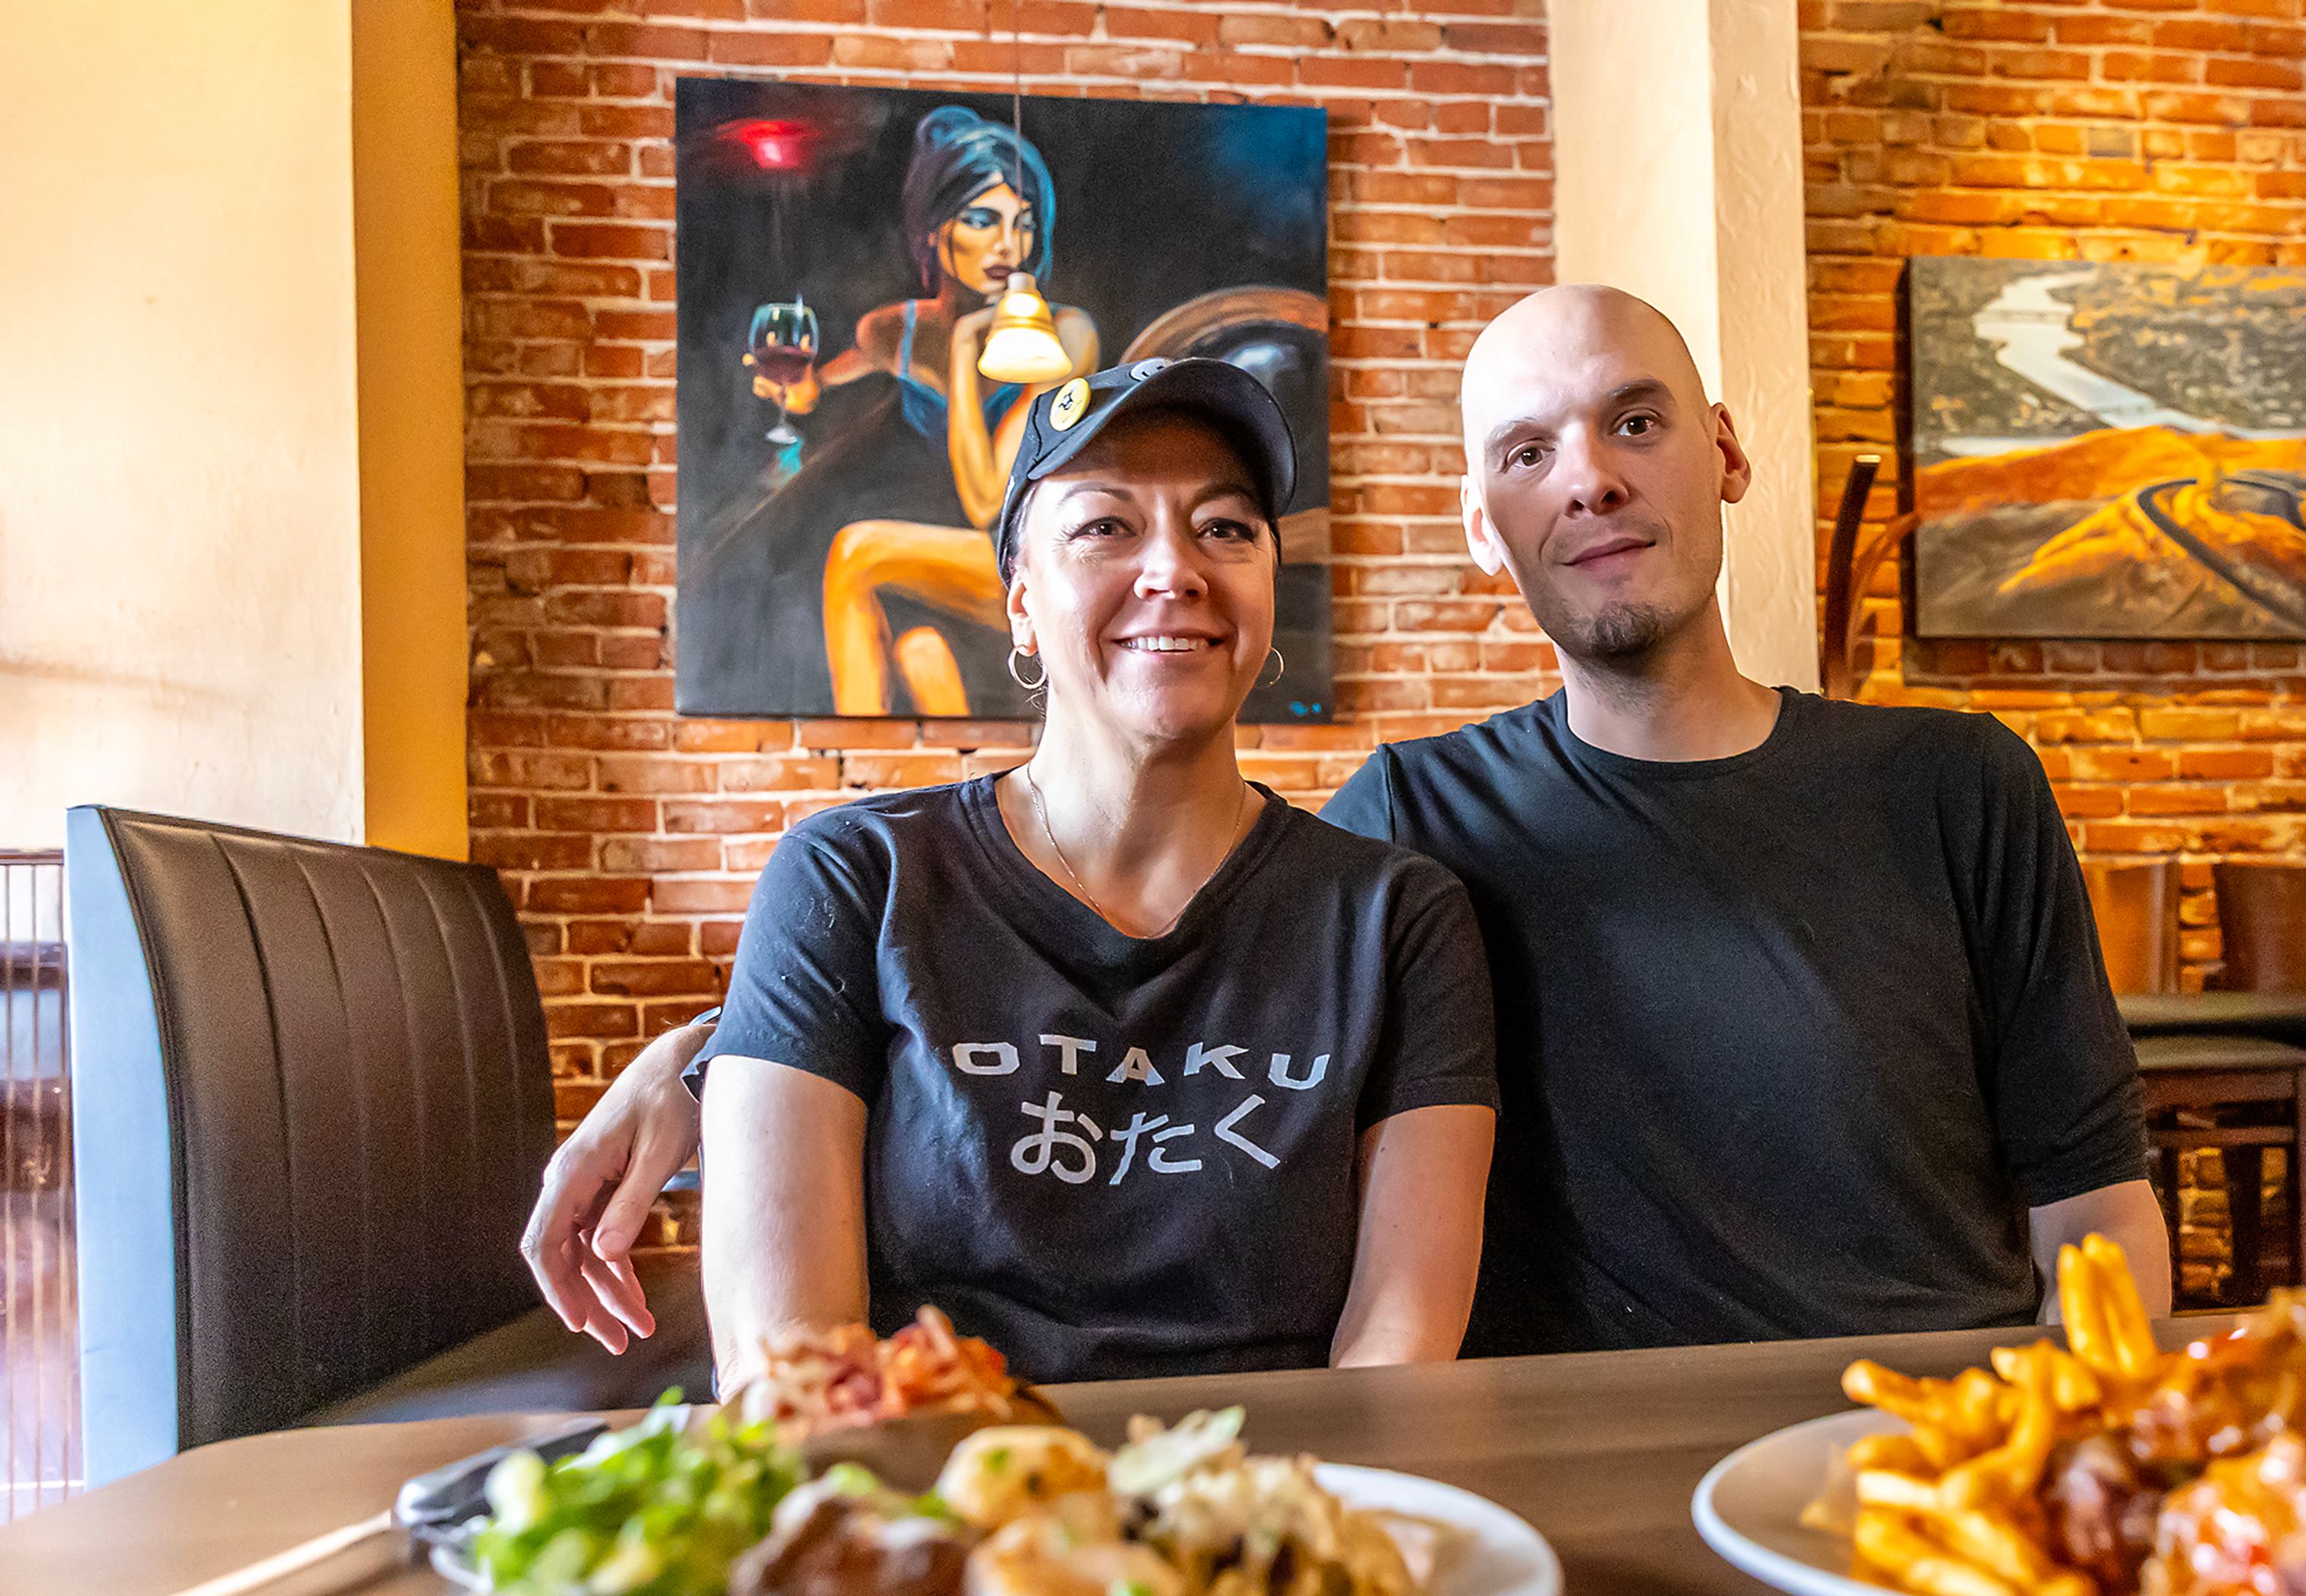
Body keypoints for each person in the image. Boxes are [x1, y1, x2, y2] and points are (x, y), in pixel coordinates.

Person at [529, 285, 2166, 1363]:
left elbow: (2095, 1209)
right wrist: (740, 1056)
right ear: (1484, 523)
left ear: (1725, 454)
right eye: (1530, 448)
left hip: (1947, 1433)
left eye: (1638, 420)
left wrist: (2091, 1463)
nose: (1589, 477)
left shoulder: (1952, 784)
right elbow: (1061, 952)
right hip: (1579, 1468)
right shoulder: (1421, 827)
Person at [624, 358, 1497, 1387]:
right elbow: (794, 1379)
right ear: (1022, 605)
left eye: (1225, 527)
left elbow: (1396, 1363)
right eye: (1106, 527)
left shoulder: (1399, 917)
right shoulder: (852, 880)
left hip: (1273, 1510)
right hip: (939, 1509)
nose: (1175, 568)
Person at [743, 107, 1101, 715]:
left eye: (1023, 225)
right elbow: (826, 379)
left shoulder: (1063, 336)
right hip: (946, 571)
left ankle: (842, 762)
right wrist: (804, 391)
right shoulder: (895, 332)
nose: (1008, 247)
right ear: (934, 231)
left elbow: (988, 498)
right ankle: (873, 790)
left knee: (857, 552)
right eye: (983, 220)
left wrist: (966, 351)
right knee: (922, 657)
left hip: (1033, 563)